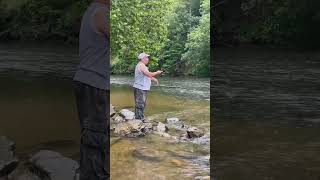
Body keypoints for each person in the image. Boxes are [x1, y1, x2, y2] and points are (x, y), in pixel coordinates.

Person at [73, 0, 110, 179]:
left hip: (88, 82)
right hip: (95, 85)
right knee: (96, 141)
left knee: (92, 139)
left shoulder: (93, 10)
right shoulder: (102, 12)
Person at [133, 52, 163, 121]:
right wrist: (157, 72)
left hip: (143, 87)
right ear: (142, 59)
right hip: (140, 87)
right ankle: (139, 119)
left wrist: (154, 79)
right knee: (140, 103)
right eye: (146, 57)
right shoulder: (141, 65)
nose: (148, 59)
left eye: (147, 57)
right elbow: (149, 74)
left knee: (142, 103)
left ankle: (140, 117)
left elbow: (147, 75)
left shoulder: (142, 66)